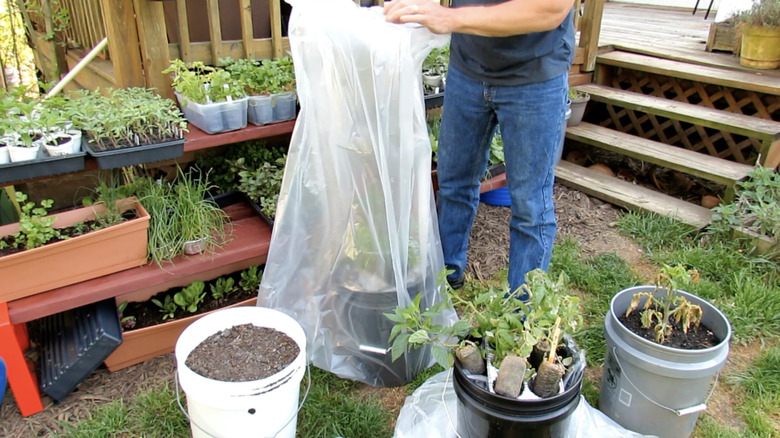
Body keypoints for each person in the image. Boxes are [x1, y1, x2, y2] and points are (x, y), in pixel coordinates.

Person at [385, 0, 574, 297]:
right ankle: (443, 283)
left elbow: (550, 9)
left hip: (534, 77)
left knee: (530, 205)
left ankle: (523, 318)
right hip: (467, 69)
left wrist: (451, 17)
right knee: (453, 184)